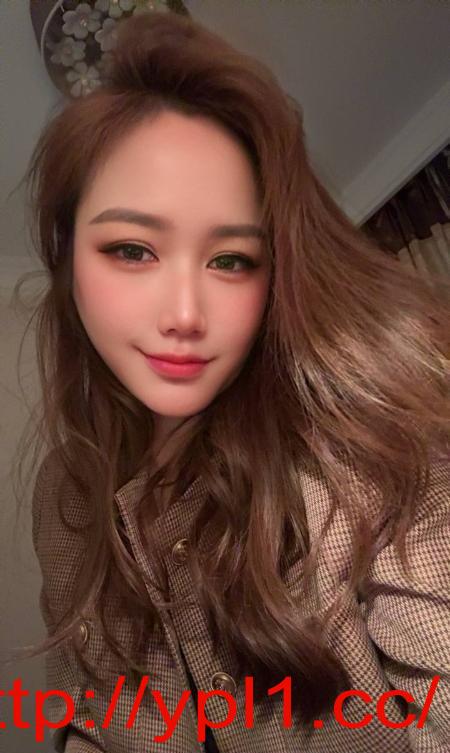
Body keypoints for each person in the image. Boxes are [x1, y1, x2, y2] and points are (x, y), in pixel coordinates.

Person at [10, 9, 450, 753]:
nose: (186, 315)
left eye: (231, 260)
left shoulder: (367, 447)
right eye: (132, 249)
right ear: (67, 261)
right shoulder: (67, 491)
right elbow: (96, 713)